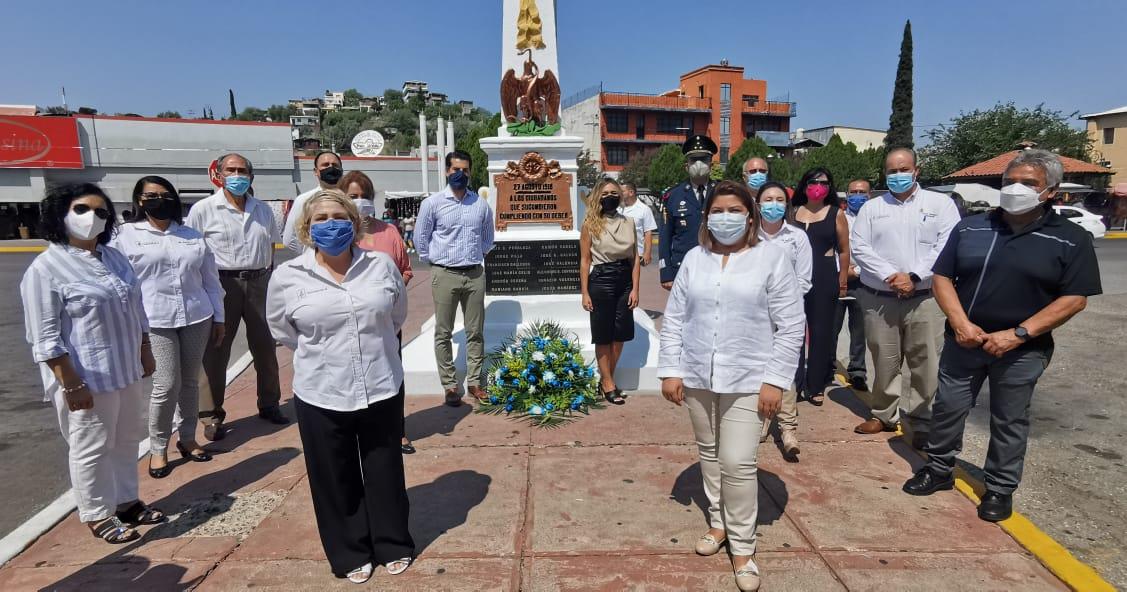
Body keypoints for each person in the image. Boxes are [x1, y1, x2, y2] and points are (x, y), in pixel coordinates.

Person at [903, 150, 1101, 521]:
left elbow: (1075, 299)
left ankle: (999, 487)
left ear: (1051, 192)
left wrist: (1019, 333)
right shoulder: (972, 227)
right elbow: (943, 277)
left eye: (1029, 183)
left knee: (1009, 419)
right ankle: (939, 468)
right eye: (1010, 181)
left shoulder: (1070, 238)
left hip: (1023, 348)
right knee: (948, 408)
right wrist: (960, 322)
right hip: (965, 341)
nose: (1016, 189)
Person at [659, 180, 804, 592]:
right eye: (718, 211)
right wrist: (671, 369)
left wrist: (775, 381)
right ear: (707, 217)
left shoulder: (771, 259)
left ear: (750, 215)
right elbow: (675, 319)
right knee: (709, 452)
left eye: (735, 211)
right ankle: (719, 522)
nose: (726, 218)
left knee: (738, 462)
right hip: (698, 375)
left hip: (749, 376)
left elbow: (792, 326)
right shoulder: (694, 259)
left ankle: (743, 546)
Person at [267, 190, 413, 583]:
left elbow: (395, 314)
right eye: (321, 218)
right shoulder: (288, 277)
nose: (330, 224)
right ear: (307, 228)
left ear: (353, 222)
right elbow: (284, 330)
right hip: (321, 390)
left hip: (380, 382)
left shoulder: (380, 265)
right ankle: (350, 552)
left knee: (384, 468)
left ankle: (392, 542)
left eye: (338, 216)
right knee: (333, 474)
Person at [20, 183, 164, 545]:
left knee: (126, 439)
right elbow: (45, 337)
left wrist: (144, 348)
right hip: (85, 376)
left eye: (101, 212)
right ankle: (98, 513)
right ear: (60, 214)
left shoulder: (113, 257)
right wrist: (69, 382)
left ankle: (127, 501)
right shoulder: (47, 268)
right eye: (82, 209)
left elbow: (135, 308)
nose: (93, 218)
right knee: (91, 446)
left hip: (125, 368)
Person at [111, 176, 224, 478]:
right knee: (165, 384)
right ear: (139, 201)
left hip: (196, 316)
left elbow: (211, 282)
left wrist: (219, 317)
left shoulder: (191, 236)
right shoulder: (126, 236)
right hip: (154, 320)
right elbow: (119, 283)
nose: (158, 200)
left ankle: (187, 439)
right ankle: (158, 448)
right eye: (151, 195)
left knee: (189, 381)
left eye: (164, 195)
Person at [850, 147, 962, 447]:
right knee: (884, 359)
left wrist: (913, 277)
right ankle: (884, 414)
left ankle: (921, 420)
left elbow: (946, 245)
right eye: (891, 170)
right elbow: (860, 247)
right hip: (880, 297)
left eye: (903, 169)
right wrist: (891, 276)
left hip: (925, 296)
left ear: (916, 170)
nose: (897, 175)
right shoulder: (872, 208)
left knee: (925, 361)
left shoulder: (941, 204)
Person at [186, 153, 287, 440]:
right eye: (231, 170)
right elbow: (193, 254)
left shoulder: (263, 210)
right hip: (221, 285)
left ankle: (269, 403)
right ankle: (210, 416)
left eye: (243, 170)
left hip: (259, 282)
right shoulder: (203, 210)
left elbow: (270, 248)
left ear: (251, 176)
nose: (237, 175)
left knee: (266, 348)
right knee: (216, 351)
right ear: (219, 174)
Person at [342, 171, 417, 455]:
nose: (359, 202)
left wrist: (390, 292)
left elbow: (405, 270)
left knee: (391, 375)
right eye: (352, 196)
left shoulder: (390, 232)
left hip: (384, 320)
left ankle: (397, 432)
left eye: (364, 196)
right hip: (346, 321)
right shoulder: (337, 230)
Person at [415, 150, 495, 406]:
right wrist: (436, 263)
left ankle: (474, 382)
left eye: (465, 170)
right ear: (447, 171)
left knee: (475, 331)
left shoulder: (480, 204)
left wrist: (476, 256)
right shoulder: (433, 203)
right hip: (445, 273)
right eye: (455, 170)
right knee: (443, 331)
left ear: (471, 172)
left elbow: (487, 238)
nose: (460, 174)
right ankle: (449, 385)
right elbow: (421, 239)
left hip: (474, 274)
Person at [754, 181, 812, 457]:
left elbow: (804, 279)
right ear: (758, 204)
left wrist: (781, 300)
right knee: (757, 368)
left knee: (784, 368)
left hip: (787, 313)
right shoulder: (749, 235)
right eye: (768, 199)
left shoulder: (797, 237)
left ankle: (788, 429)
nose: (773, 204)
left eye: (779, 199)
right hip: (754, 314)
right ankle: (761, 423)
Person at [792, 168, 850, 406]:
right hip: (794, 278)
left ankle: (816, 385)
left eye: (824, 182)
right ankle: (794, 382)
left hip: (824, 277)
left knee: (820, 333)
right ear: (805, 185)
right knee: (793, 332)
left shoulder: (836, 214)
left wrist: (842, 280)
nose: (818, 186)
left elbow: (845, 250)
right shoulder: (793, 212)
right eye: (814, 182)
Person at [580, 178, 640, 404]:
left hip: (625, 280)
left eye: (614, 192)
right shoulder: (590, 223)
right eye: (604, 193)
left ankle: (607, 380)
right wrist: (584, 292)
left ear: (621, 195)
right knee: (603, 335)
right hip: (601, 280)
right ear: (597, 197)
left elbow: (634, 259)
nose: (610, 197)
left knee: (621, 334)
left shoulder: (629, 222)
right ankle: (608, 384)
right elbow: (585, 261)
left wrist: (635, 288)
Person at [659, 134, 718, 290]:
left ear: (711, 164)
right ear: (686, 165)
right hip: (682, 268)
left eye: (704, 159)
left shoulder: (722, 192)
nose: (698, 164)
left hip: (717, 265)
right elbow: (665, 237)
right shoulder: (672, 196)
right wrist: (666, 273)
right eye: (693, 160)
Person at [834, 179, 872, 392]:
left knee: (859, 330)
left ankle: (857, 371)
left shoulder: (874, 219)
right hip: (839, 278)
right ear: (846, 195)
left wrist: (856, 271)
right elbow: (833, 248)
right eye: (853, 192)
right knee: (832, 327)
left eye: (862, 192)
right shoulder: (839, 218)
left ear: (870, 194)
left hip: (863, 280)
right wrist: (842, 273)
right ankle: (827, 366)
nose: (857, 195)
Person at [283, 151, 344, 252]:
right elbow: (289, 239)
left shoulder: (350, 200)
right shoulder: (303, 200)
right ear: (316, 171)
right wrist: (310, 254)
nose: (331, 167)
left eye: (335, 165)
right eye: (325, 165)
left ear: (341, 170)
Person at [618, 182, 657, 267]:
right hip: (619, 252)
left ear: (631, 192)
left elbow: (648, 233)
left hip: (636, 252)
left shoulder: (644, 209)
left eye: (622, 191)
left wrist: (647, 253)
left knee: (633, 279)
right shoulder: (618, 209)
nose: (619, 193)